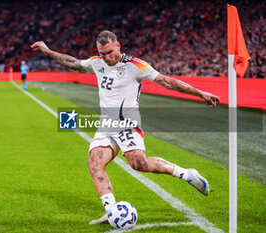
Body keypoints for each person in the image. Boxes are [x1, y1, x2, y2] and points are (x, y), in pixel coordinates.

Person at [30, 30, 220, 225]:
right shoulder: (97, 62)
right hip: (106, 125)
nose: (106, 57)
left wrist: (200, 93)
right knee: (94, 164)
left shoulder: (136, 66)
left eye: (110, 52)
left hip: (127, 123)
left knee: (139, 164)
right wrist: (48, 51)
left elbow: (167, 82)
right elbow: (73, 62)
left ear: (118, 46)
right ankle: (112, 211)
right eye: (102, 53)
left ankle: (187, 174)